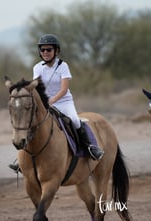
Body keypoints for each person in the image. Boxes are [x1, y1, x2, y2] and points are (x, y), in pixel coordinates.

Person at [9, 34, 104, 173]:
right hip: (45, 103)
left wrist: (51, 101)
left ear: (56, 51)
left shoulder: (63, 66)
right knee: (32, 123)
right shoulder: (37, 67)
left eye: (49, 49)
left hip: (63, 101)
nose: (46, 52)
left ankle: (90, 147)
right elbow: (37, 88)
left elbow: (64, 89)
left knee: (75, 120)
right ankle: (23, 160)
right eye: (43, 50)